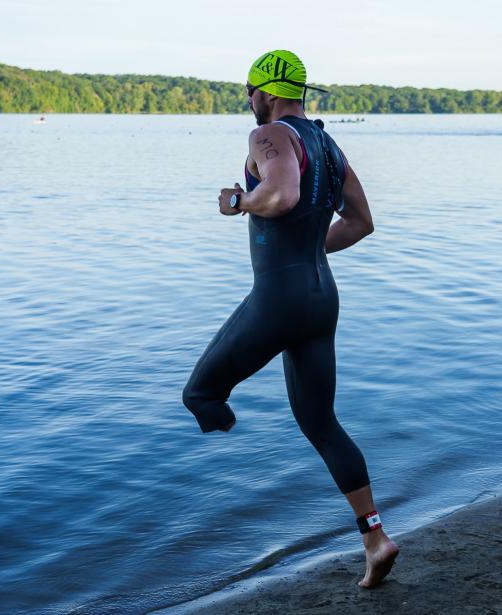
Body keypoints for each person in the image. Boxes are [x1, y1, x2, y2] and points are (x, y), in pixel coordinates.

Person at [182, 49, 398, 588]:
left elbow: (281, 194)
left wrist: (238, 203)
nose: (248, 104)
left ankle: (221, 493)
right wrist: (307, 252)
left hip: (279, 297)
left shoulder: (269, 136)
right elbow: (361, 222)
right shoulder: (329, 144)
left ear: (266, 91)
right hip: (321, 297)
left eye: (248, 93)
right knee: (321, 423)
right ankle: (376, 539)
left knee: (202, 395)